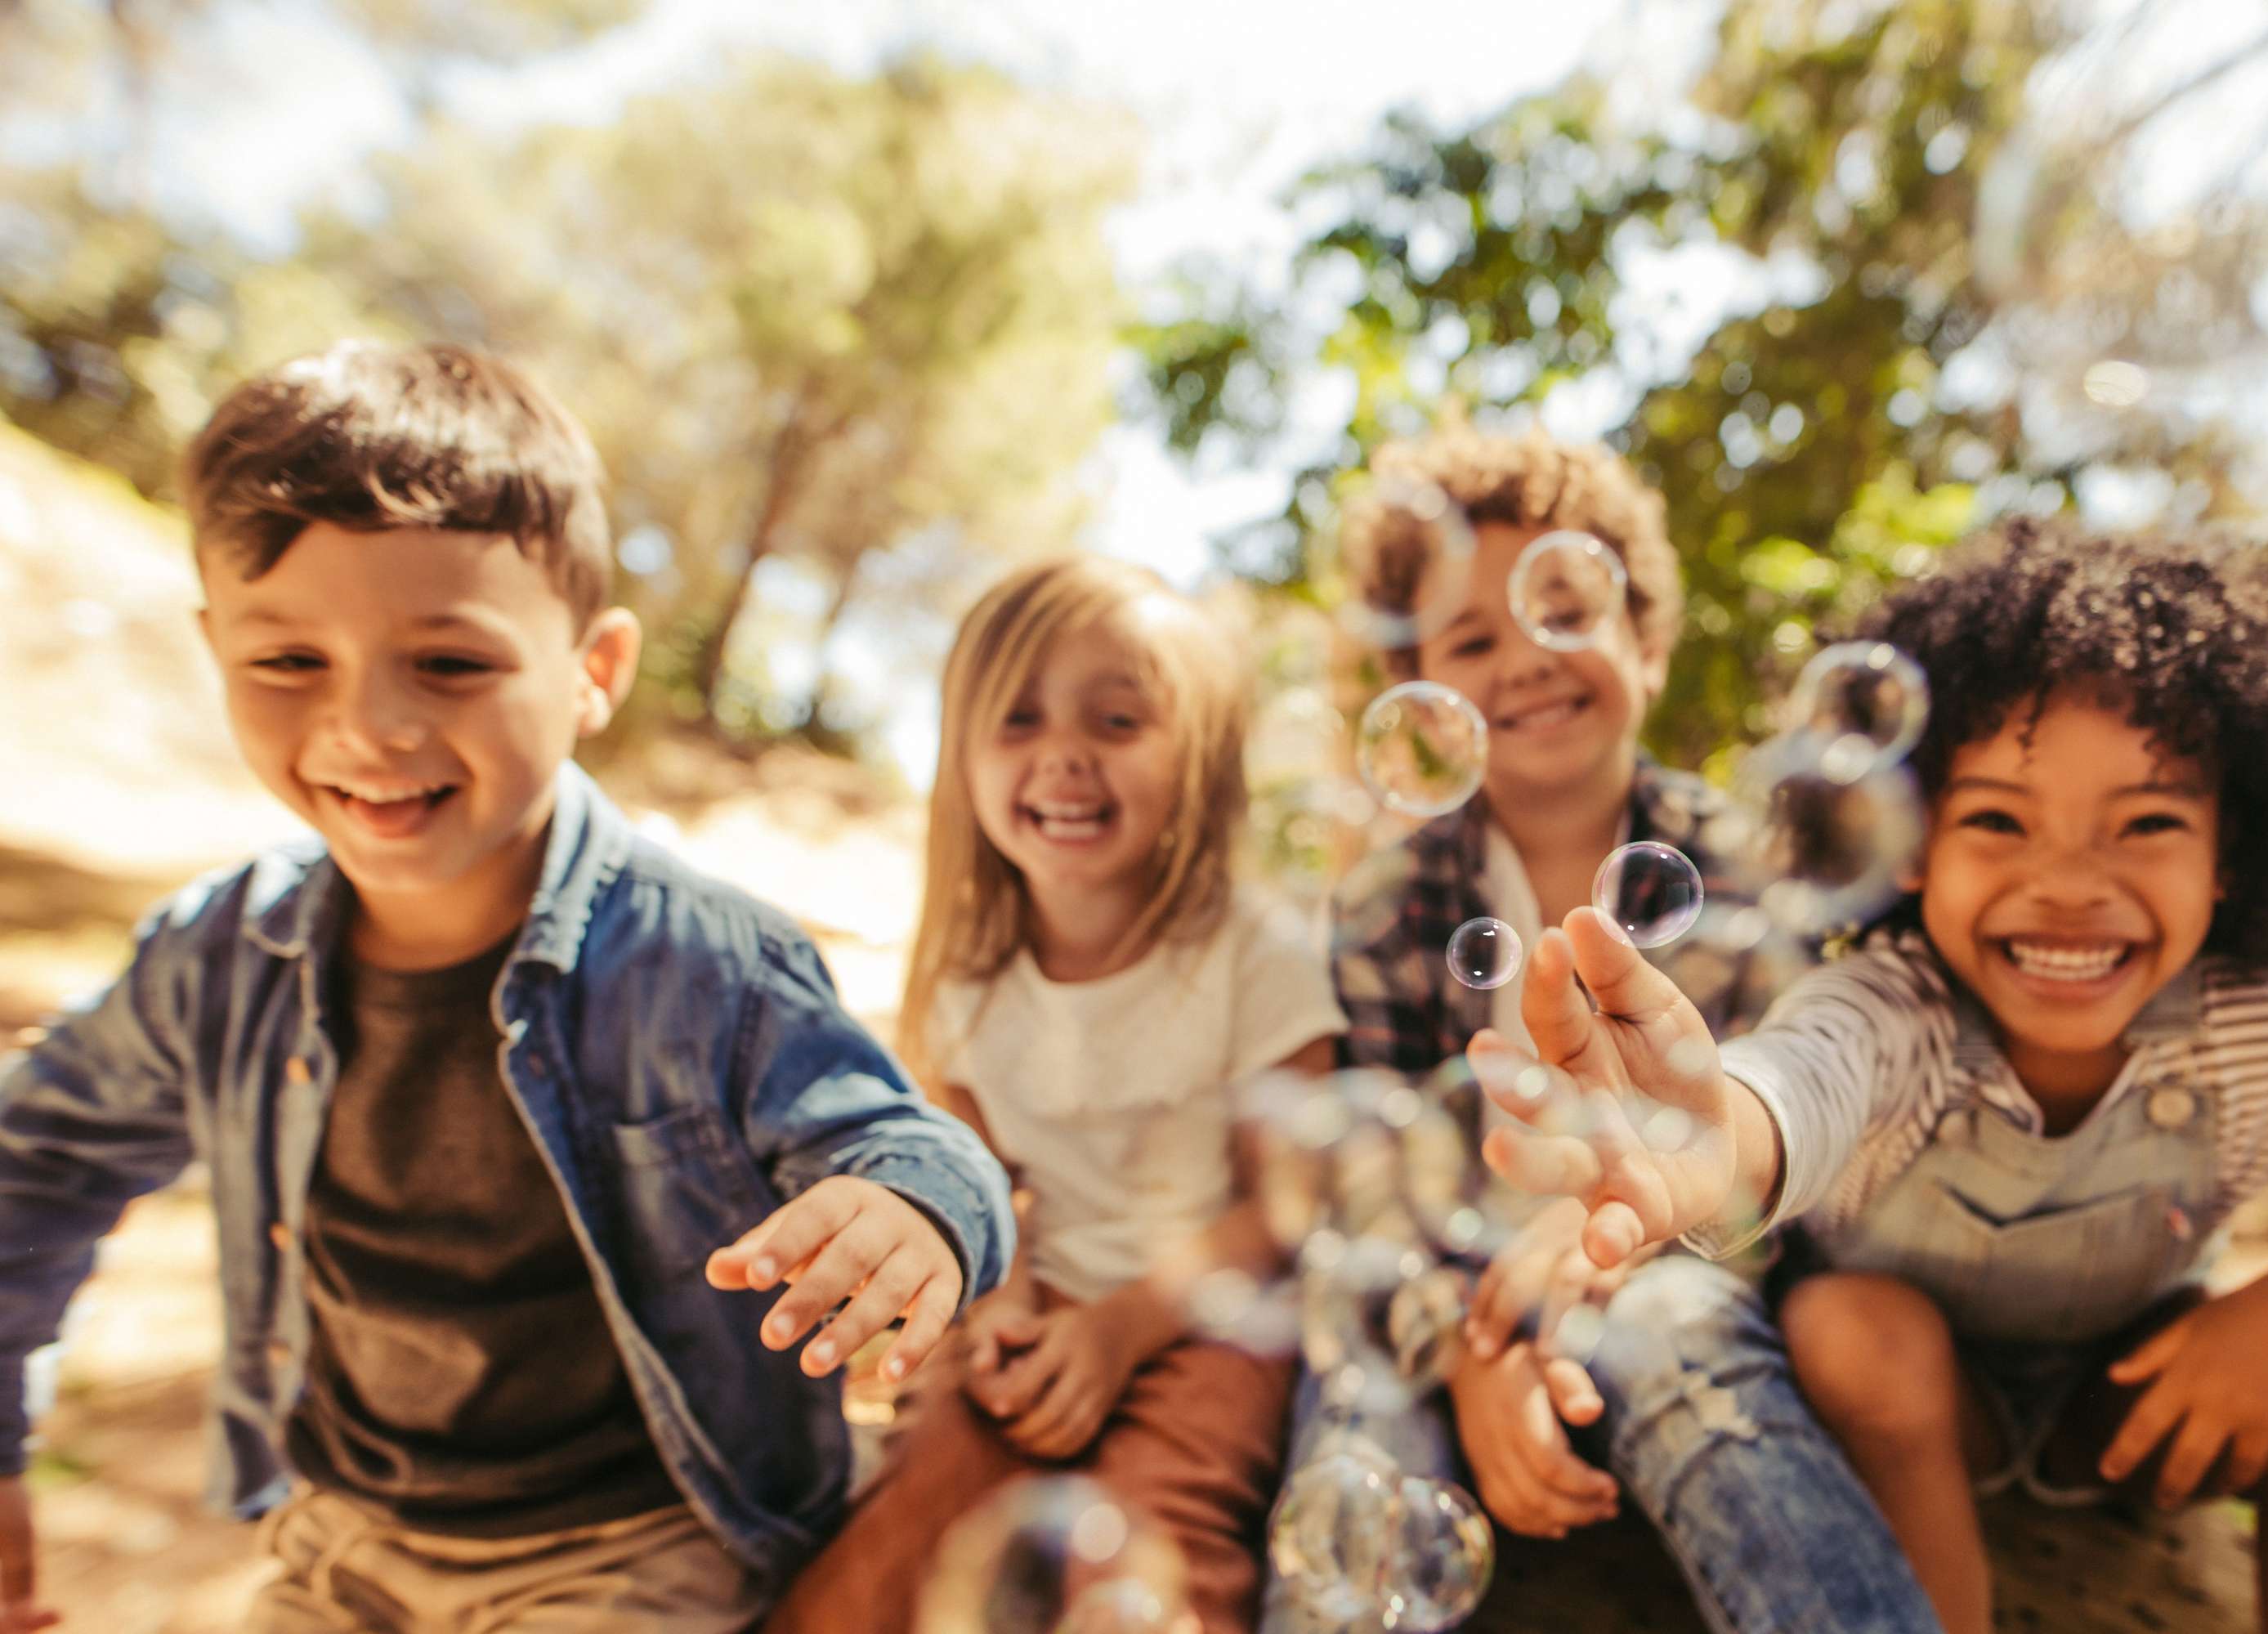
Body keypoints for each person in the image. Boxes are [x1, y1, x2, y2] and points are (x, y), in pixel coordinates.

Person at [0, 342, 1015, 1634]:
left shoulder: (706, 959)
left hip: (634, 1550)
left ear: (593, 670)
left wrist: (911, 1210)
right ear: (216, 649)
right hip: (349, 1543)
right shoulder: (219, 956)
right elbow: (30, 1171)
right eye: (288, 663)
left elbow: (911, 1144)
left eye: (450, 664)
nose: (368, 726)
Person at [1475, 520, 2268, 1634]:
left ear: (2232, 851)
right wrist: (1716, 1134)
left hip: (2133, 1396)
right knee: (1856, 1322)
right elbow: (1799, 1078)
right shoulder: (1895, 1004)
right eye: (1999, 819)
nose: (2067, 885)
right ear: (1906, 841)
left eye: (2146, 822)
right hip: (1915, 1403)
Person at [1265, 422, 1943, 1634]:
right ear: (1418, 696)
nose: (1526, 659)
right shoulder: (1384, 907)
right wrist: (1473, 1350)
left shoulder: (1742, 870)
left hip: (1665, 1272)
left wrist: (1585, 1289)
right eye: (1471, 640)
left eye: (1568, 613)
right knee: (1359, 1428)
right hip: (1442, 1293)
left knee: (1694, 1362)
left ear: (1647, 638)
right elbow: (1367, 1174)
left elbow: (1758, 1148)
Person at [771, 557, 1344, 1634]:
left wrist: (1125, 1328)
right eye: (1016, 721)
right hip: (1041, 1320)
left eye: (1119, 721)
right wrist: (1010, 1303)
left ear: (1202, 761)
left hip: (1210, 1329)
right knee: (893, 1542)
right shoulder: (970, 983)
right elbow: (977, 1177)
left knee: (1152, 1545)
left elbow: (1284, 1204)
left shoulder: (1252, 953)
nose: (1064, 758)